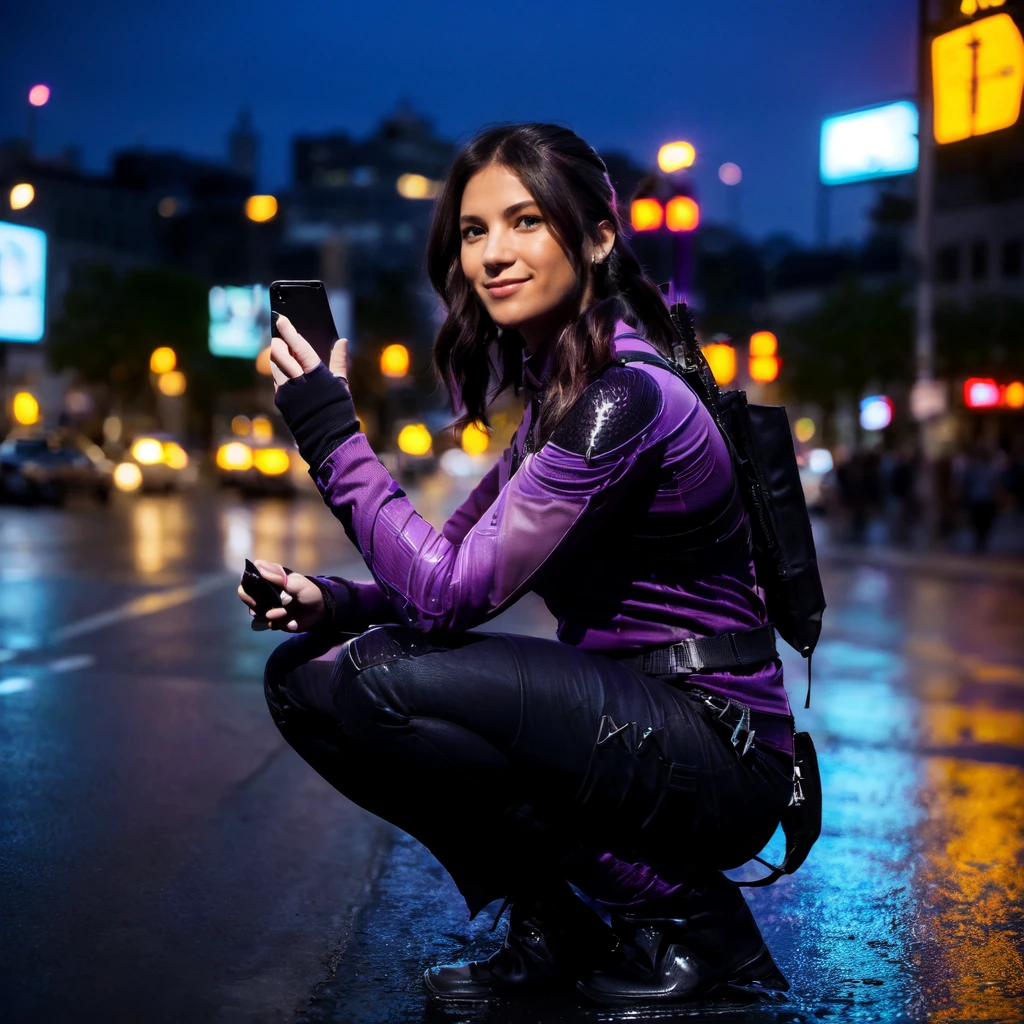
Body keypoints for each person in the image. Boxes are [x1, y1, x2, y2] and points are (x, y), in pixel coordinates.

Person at [238, 123, 796, 1008]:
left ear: (599, 236)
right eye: (472, 231)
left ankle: (698, 925)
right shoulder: (563, 403)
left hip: (716, 745)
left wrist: (328, 431)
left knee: (384, 678)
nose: (493, 254)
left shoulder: (628, 400)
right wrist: (331, 601)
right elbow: (456, 564)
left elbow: (450, 596)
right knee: (304, 679)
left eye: (525, 222)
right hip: (632, 722)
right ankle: (558, 923)